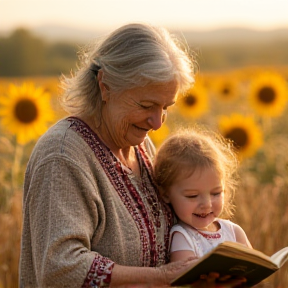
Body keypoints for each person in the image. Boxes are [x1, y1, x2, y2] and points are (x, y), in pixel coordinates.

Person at [19, 22, 197, 288]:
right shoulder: (62, 156)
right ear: (105, 86)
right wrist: (162, 278)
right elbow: (60, 268)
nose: (158, 122)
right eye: (146, 105)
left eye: (166, 107)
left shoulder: (141, 147)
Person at [153, 128, 252, 271]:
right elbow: (185, 280)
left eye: (216, 193)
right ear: (166, 194)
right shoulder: (183, 237)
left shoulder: (234, 232)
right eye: (192, 196)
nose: (207, 205)